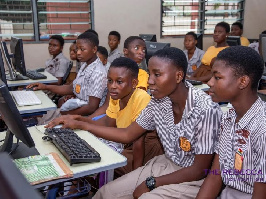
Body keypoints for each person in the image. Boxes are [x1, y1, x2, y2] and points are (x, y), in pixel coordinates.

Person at [46, 47, 222, 199]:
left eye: (157, 74)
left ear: (178, 76)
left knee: (145, 196)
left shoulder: (206, 109)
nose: (150, 80)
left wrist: (153, 183)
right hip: (165, 164)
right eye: (150, 73)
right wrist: (81, 123)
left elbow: (199, 170)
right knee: (106, 193)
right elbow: (127, 134)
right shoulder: (158, 102)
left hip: (194, 178)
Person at [196, 46, 266, 199]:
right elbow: (215, 175)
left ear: (243, 81)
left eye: (217, 77)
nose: (210, 82)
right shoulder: (230, 117)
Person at [48, 57, 163, 178]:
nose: (112, 86)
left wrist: (135, 177)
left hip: (145, 149)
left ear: (134, 83)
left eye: (119, 82)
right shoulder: (117, 97)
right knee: (84, 157)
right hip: (127, 144)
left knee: (97, 165)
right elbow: (108, 124)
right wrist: (76, 119)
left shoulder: (141, 98)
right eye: (109, 80)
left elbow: (137, 142)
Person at [27, 32, 107, 116]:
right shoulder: (85, 65)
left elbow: (92, 107)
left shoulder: (98, 72)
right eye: (77, 49)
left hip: (86, 116)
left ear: (94, 49)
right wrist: (44, 86)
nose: (78, 53)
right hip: (77, 109)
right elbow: (71, 88)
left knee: (43, 117)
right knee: (43, 115)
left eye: (82, 49)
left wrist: (65, 113)